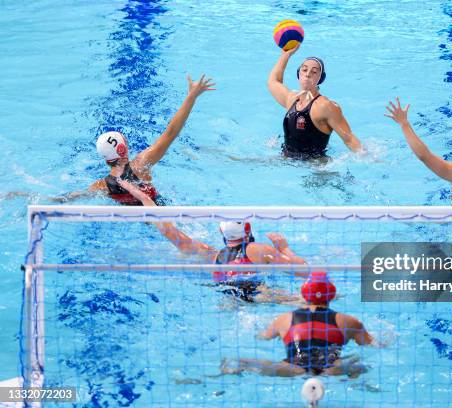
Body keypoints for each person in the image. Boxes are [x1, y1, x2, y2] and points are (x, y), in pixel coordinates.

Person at [117, 179, 306, 303]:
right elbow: (303, 271)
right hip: (260, 294)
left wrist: (144, 198)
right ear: (247, 230)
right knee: (311, 299)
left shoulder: (212, 255)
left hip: (226, 298)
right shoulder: (258, 250)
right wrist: (285, 248)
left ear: (222, 233)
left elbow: (169, 231)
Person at [55, 74, 215, 205]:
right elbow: (171, 132)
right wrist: (191, 96)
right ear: (122, 150)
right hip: (163, 219)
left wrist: (50, 199)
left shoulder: (102, 185)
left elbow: (74, 196)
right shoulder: (141, 165)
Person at [221, 271, 376, 377]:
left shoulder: (284, 319)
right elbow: (372, 345)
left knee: (240, 361)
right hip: (331, 369)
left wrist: (252, 325)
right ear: (332, 294)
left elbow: (262, 338)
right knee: (359, 365)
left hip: (294, 369)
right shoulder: (348, 321)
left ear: (303, 293)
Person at [268, 44, 363, 159]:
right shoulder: (291, 99)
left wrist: (371, 159)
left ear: (320, 79)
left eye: (314, 72)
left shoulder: (325, 106)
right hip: (286, 159)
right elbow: (274, 81)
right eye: (304, 69)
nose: (307, 74)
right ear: (299, 73)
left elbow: (349, 139)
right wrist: (286, 55)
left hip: (316, 166)